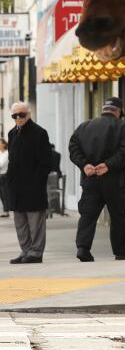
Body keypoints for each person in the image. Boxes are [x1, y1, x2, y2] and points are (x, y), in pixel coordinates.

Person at [69, 97, 125, 261]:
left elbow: (73, 147)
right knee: (117, 216)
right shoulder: (124, 127)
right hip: (115, 180)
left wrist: (84, 165)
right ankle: (120, 251)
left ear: (103, 109)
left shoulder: (84, 126)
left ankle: (83, 249)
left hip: (90, 179)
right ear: (118, 111)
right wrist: (109, 165)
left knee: (88, 215)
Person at [7, 102, 55, 264]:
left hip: (33, 185)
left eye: (21, 115)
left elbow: (46, 162)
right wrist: (9, 182)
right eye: (15, 116)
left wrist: (37, 182)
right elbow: (12, 160)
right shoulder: (12, 133)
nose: (18, 118)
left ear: (29, 114)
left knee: (35, 223)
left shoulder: (39, 133)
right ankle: (25, 250)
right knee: (20, 222)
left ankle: (35, 252)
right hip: (16, 186)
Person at [0, 138, 10, 218]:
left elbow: (2, 164)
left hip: (4, 175)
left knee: (4, 193)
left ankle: (6, 211)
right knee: (1, 194)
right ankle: (5, 210)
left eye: (0, 143)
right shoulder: (0, 153)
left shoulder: (7, 153)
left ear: (4, 144)